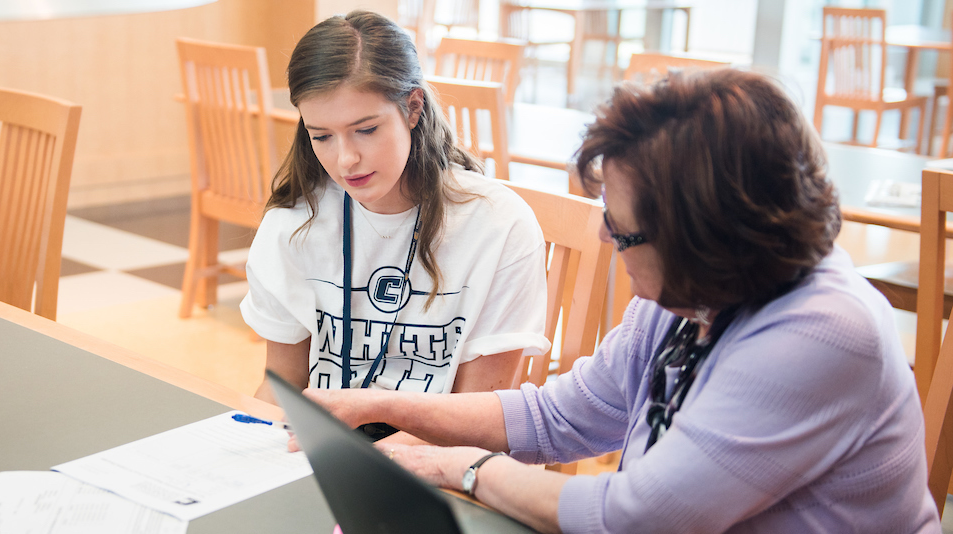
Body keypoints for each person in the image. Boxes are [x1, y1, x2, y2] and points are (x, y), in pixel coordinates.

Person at [301, 69, 942, 533]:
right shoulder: (691, 295)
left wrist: (462, 469)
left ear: (705, 239)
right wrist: (380, 404)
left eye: (624, 229)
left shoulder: (823, 334)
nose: (606, 239)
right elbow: (563, 418)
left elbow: (638, 516)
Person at [241, 11, 550, 404]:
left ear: (413, 107)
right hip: (326, 451)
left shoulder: (499, 225)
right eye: (321, 136)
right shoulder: (294, 222)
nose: (345, 159)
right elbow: (280, 385)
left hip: (442, 455)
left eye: (366, 130)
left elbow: (479, 416)